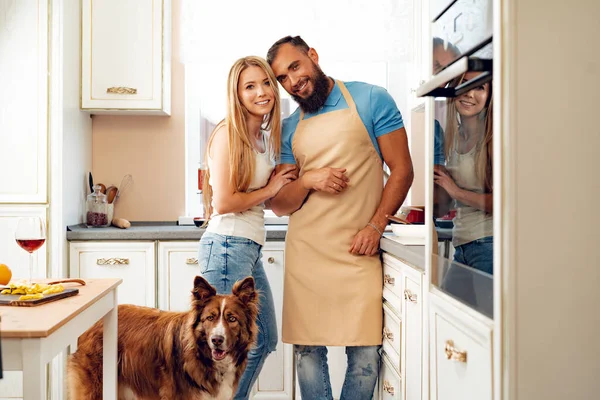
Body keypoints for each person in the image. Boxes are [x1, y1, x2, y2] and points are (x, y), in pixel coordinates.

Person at [266, 36, 414, 400]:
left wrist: (376, 225)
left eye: (295, 67)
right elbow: (281, 204)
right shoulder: (289, 127)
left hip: (358, 249)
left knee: (365, 353)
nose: (292, 81)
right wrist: (308, 179)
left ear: (312, 56)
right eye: (282, 78)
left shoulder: (370, 99)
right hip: (307, 252)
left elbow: (402, 170)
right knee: (307, 353)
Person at [197, 56, 297, 400]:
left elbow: (258, 199)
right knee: (224, 354)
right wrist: (270, 189)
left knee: (263, 339)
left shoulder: (262, 139)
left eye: (266, 83)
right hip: (227, 247)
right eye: (249, 87)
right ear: (237, 95)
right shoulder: (228, 135)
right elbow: (224, 202)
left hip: (246, 249)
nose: (261, 92)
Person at [434, 71, 494, 275]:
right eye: (464, 85)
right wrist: (438, 180)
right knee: (445, 307)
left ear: (489, 97)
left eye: (480, 87)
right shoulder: (452, 137)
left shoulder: (491, 139)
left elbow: (504, 204)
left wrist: (455, 190)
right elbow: (444, 207)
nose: (469, 94)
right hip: (462, 244)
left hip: (489, 243)